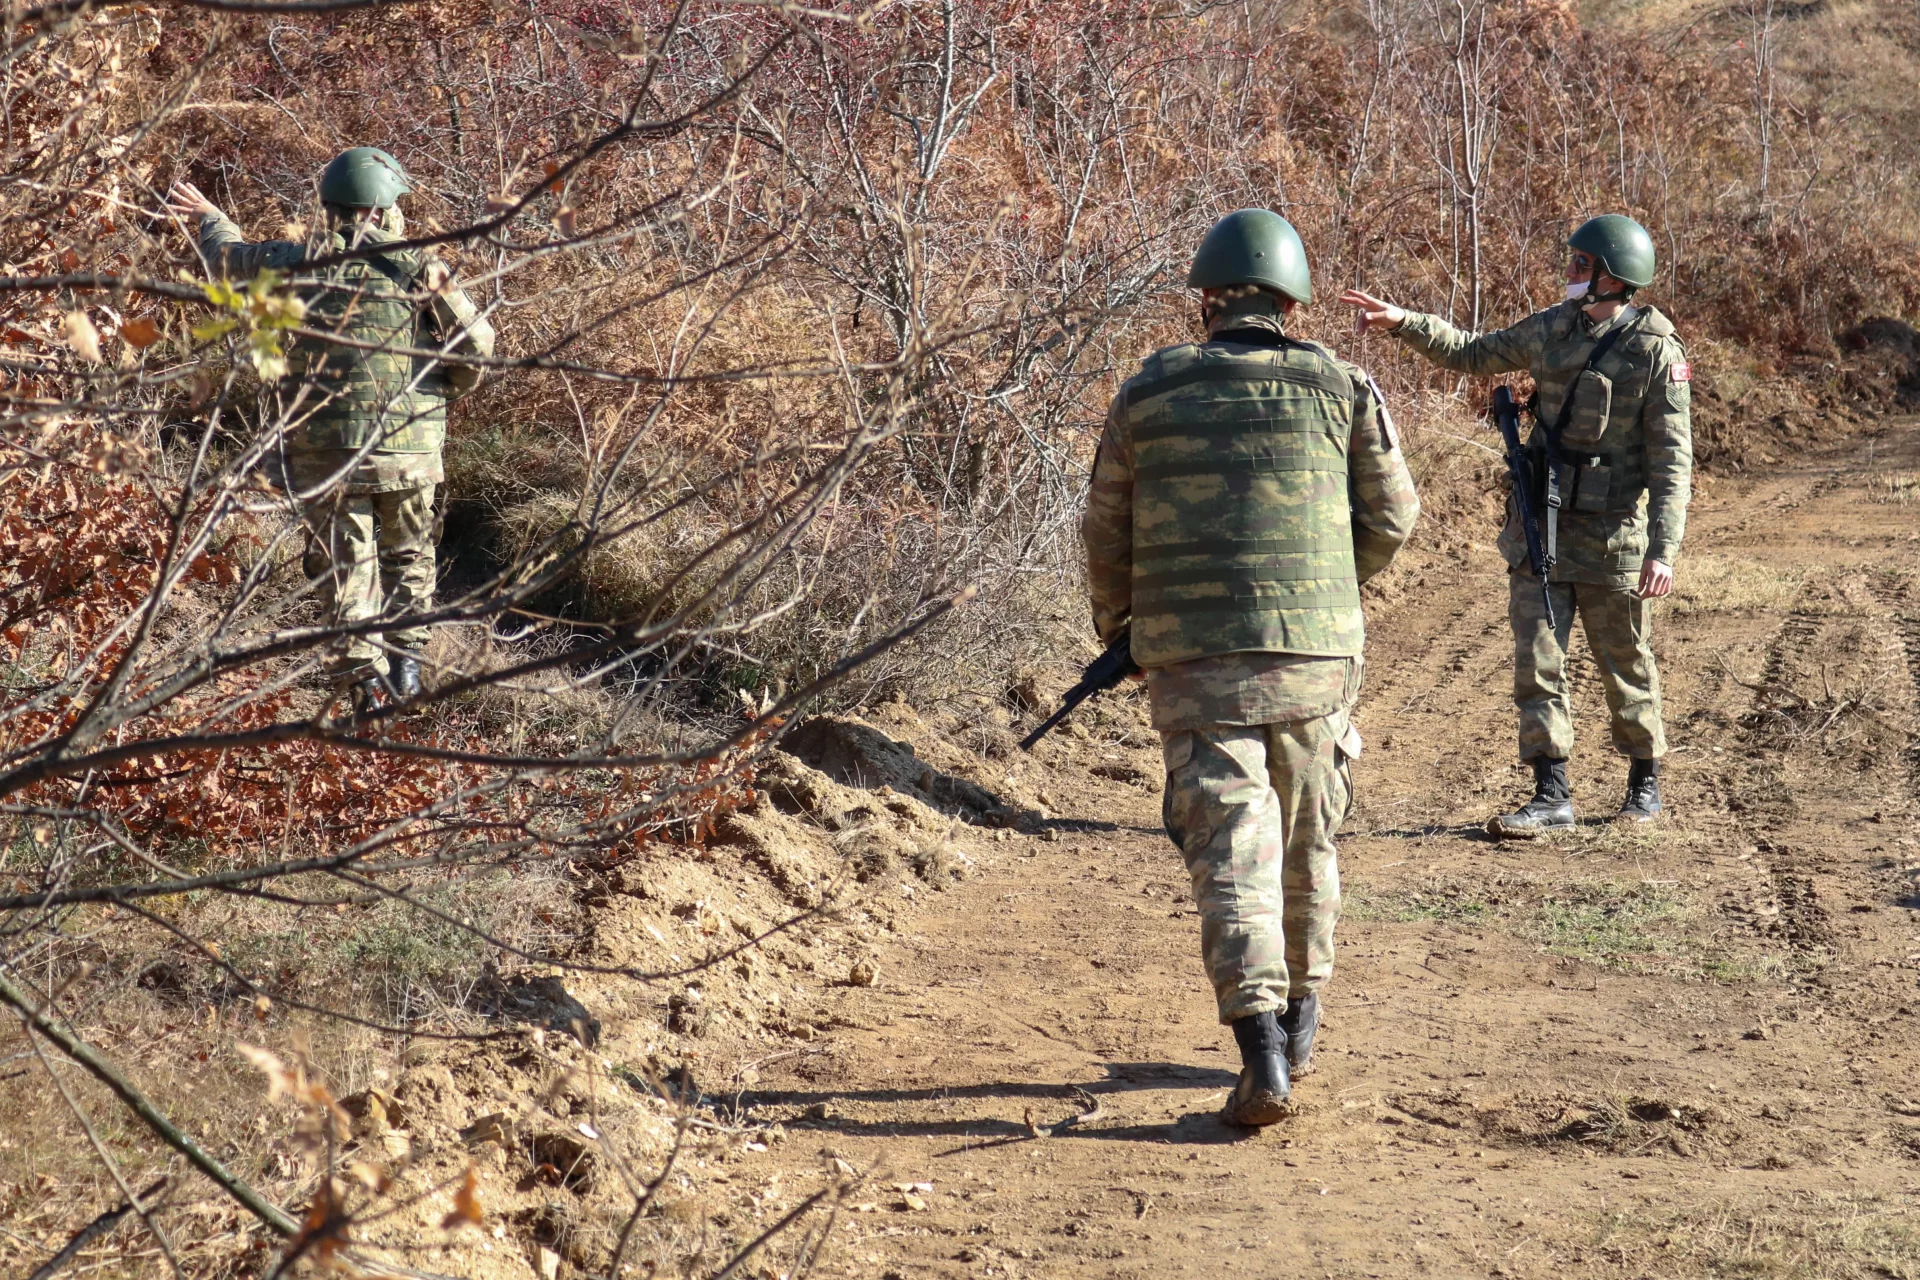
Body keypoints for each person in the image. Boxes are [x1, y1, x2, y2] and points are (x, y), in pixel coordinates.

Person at [1082, 209, 1419, 1126]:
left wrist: (1127, 632)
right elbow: (1392, 516)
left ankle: (1260, 1048)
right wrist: (1330, 594)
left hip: (1193, 661)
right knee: (1309, 836)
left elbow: (1106, 530)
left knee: (1232, 849)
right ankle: (1303, 1019)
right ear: (1291, 298)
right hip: (1316, 658)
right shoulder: (1341, 387)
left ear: (1206, 300)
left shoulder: (1147, 393)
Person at [1340, 215, 1691, 836]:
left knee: (1625, 660)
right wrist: (1403, 322)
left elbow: (1671, 461)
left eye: (1583, 266)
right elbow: (1473, 352)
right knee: (1537, 661)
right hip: (1542, 524)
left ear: (1616, 278)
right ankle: (1551, 791)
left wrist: (1661, 550)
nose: (1572, 274)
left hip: (1612, 536)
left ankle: (1643, 782)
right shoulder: (1553, 328)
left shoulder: (1655, 351)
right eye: (1574, 263)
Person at [165, 147, 495, 709]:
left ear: (332, 206)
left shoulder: (299, 261)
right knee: (410, 556)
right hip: (409, 450)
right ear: (388, 207)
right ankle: (407, 672)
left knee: (347, 569)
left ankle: (364, 688)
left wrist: (210, 218)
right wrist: (440, 393)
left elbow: (225, 260)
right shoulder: (423, 269)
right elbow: (479, 347)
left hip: (328, 454)